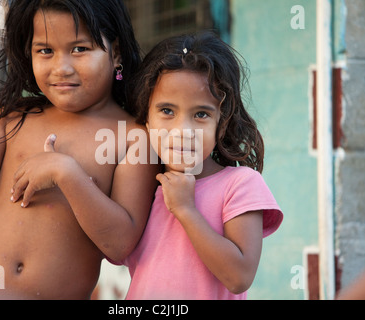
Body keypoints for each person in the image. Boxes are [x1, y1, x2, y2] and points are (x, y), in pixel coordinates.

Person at [0, 0, 158, 299]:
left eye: (80, 49)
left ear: (115, 52)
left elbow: (120, 244)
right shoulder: (16, 117)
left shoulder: (133, 138)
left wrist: (66, 174)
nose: (61, 67)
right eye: (45, 50)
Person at [121, 32, 284, 300]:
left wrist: (186, 210)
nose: (182, 130)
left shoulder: (240, 184)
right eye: (167, 111)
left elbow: (239, 277)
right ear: (146, 119)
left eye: (200, 114)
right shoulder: (143, 188)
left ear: (222, 123)